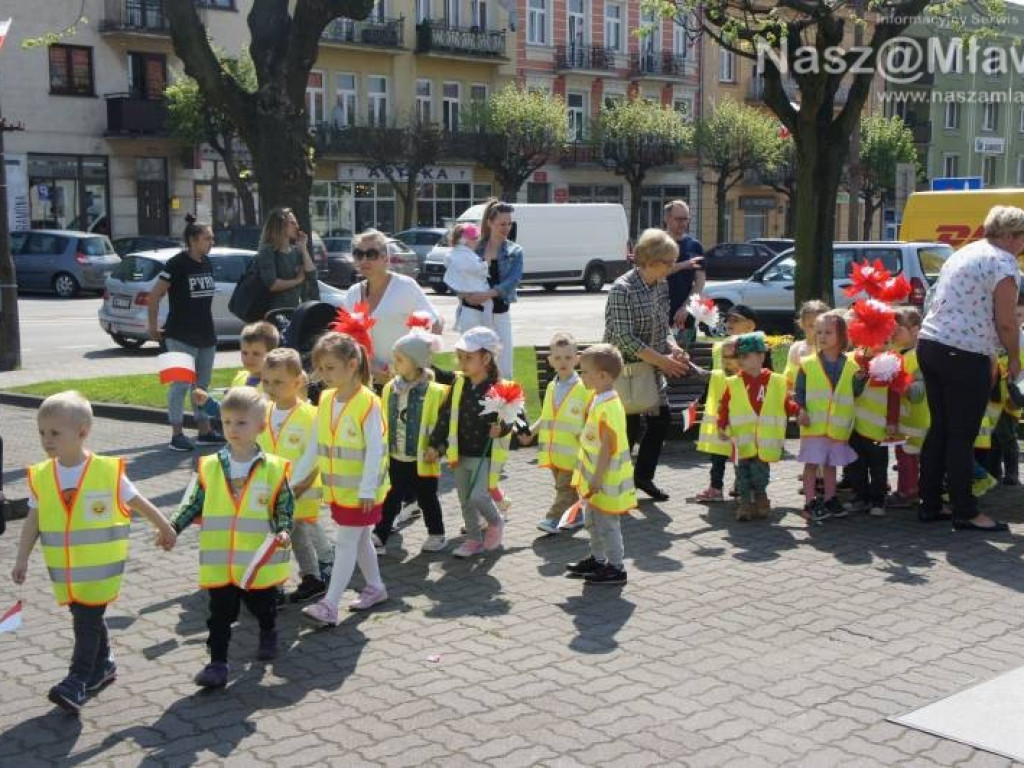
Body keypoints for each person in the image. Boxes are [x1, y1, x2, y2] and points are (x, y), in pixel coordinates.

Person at [11, 391, 176, 712]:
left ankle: (76, 681)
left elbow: (138, 501)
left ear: (82, 432)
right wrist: (21, 559)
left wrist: (165, 526)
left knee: (85, 621)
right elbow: (34, 520)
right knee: (85, 618)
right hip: (67, 575)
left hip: (100, 572)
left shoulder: (106, 471)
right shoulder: (43, 475)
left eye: (55, 433)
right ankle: (104, 666)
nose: (47, 440)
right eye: (42, 432)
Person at [171, 387, 293, 688]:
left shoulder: (273, 468)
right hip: (221, 561)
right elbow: (193, 502)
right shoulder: (210, 465)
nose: (232, 429)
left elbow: (283, 504)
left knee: (262, 604)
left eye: (241, 423)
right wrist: (173, 527)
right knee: (220, 614)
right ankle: (218, 664)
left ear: (260, 427)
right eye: (226, 422)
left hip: (255, 561)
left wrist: (283, 528)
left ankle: (268, 632)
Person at [917, 205, 1024, 531]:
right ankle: (965, 510)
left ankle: (930, 503)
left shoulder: (965, 253)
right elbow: (1007, 322)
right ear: (1009, 235)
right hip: (964, 354)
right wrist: (1015, 358)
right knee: (962, 435)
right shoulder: (1004, 263)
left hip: (931, 344)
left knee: (940, 429)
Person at [303, 332, 389, 627]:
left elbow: (375, 450)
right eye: (321, 368)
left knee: (346, 542)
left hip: (362, 492)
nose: (323, 375)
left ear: (352, 365)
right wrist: (293, 481)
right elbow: (315, 444)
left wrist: (367, 488)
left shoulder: (369, 403)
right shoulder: (326, 398)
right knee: (361, 538)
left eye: (330, 368)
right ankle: (376, 587)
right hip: (340, 491)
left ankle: (329, 604)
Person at [604, 228, 690, 502]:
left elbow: (662, 325)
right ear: (649, 260)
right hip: (625, 370)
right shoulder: (622, 289)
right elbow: (623, 338)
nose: (671, 267)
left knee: (661, 420)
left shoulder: (661, 285)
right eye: (667, 262)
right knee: (626, 428)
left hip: (652, 369)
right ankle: (617, 482)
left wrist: (674, 349)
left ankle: (642, 477)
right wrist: (662, 360)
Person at [426, 327, 512, 558]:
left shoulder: (499, 388)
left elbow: (511, 418)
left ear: (486, 358)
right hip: (461, 453)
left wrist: (501, 428)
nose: (463, 363)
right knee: (465, 500)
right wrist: (435, 444)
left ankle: (495, 522)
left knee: (479, 496)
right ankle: (473, 539)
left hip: (486, 455)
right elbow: (445, 416)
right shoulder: (459, 384)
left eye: (469, 358)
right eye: (460, 357)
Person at [257, 348, 334, 604]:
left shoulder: (311, 415)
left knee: (284, 536)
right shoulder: (263, 412)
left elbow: (315, 455)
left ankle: (282, 584)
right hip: (271, 490)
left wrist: (302, 484)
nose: (271, 387)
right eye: (266, 381)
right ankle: (307, 578)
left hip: (300, 491)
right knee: (290, 536)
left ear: (298, 381)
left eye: (278, 382)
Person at [148, 215, 224, 452]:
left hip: (206, 334)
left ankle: (204, 431)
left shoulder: (207, 262)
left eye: (212, 238)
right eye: (207, 238)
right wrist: (152, 327)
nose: (211, 242)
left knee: (201, 385)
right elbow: (154, 296)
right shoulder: (176, 264)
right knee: (180, 385)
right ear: (192, 239)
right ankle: (177, 434)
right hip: (179, 335)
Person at [565, 344, 636, 586]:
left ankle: (616, 567)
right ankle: (597, 559)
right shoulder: (597, 397)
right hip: (593, 476)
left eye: (584, 372)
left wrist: (596, 477)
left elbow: (607, 447)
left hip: (604, 479)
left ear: (602, 375)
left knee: (607, 524)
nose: (581, 375)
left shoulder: (609, 406)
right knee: (592, 521)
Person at [373, 326, 448, 554]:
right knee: (391, 495)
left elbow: (443, 425)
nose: (395, 364)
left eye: (400, 360)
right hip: (397, 455)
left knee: (427, 498)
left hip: (423, 456)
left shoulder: (435, 392)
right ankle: (380, 534)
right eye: (395, 359)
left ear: (417, 362)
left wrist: (438, 448)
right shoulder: (389, 388)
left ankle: (437, 534)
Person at [341, 229, 442, 388]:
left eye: (371, 254)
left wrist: (417, 364)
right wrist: (369, 366)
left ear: (385, 258)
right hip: (366, 380)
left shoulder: (405, 286)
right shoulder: (353, 293)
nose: (364, 259)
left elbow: (436, 323)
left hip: (405, 380)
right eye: (359, 254)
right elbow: (345, 339)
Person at [717, 333, 797, 521]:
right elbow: (724, 407)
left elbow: (786, 404)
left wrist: (798, 410)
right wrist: (721, 425)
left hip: (765, 440)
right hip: (741, 439)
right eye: (739, 357)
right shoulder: (733, 383)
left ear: (761, 356)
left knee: (760, 473)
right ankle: (744, 503)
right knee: (742, 474)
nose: (741, 361)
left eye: (746, 356)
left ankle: (761, 497)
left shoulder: (776, 381)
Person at [520, 332, 591, 535]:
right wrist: (531, 432)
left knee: (563, 489)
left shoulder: (583, 389)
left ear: (577, 359)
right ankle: (577, 516)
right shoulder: (552, 386)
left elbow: (591, 419)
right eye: (558, 358)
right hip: (553, 452)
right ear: (550, 360)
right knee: (567, 489)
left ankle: (553, 518)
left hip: (573, 454)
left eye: (568, 358)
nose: (563, 362)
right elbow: (547, 416)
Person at [793, 311, 859, 523]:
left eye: (828, 332)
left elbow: (854, 392)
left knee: (831, 464)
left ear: (841, 336)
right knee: (812, 464)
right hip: (814, 424)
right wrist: (801, 409)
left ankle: (830, 498)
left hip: (837, 427)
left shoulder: (851, 365)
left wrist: (862, 379)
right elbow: (799, 391)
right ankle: (810, 502)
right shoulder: (808, 363)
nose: (821, 336)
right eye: (818, 332)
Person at [695, 306, 760, 503]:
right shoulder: (719, 348)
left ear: (750, 326)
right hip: (721, 408)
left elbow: (766, 376)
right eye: (728, 320)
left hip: (744, 409)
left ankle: (742, 484)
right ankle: (715, 487)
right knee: (718, 450)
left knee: (743, 449)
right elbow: (714, 374)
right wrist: (702, 398)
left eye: (735, 320)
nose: (729, 324)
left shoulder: (757, 348)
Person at [454, 200, 523, 379]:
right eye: (502, 224)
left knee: (504, 364)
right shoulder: (474, 246)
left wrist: (488, 294)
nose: (506, 228)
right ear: (490, 223)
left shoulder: (515, 251)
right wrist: (466, 296)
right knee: (470, 359)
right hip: (472, 311)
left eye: (509, 224)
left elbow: (512, 281)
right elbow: (457, 273)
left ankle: (504, 402)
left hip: (500, 312)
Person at [889, 308, 928, 508]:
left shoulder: (918, 356)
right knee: (905, 455)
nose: (893, 334)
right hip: (905, 417)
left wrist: (904, 387)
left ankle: (908, 492)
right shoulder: (896, 355)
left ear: (915, 330)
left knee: (910, 455)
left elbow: (919, 388)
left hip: (919, 417)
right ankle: (911, 490)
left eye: (898, 330)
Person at [257, 207, 319, 313]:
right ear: (281, 226)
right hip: (276, 312)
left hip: (297, 311)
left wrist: (304, 249)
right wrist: (297, 281)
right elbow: (272, 284)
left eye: (296, 223)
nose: (297, 227)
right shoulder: (268, 251)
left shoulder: (296, 250)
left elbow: (311, 274)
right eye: (292, 223)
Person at [663, 200, 705, 349]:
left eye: (686, 219)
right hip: (658, 311)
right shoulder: (657, 244)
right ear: (667, 218)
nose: (683, 223)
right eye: (678, 219)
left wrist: (686, 308)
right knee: (661, 356)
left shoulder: (695, 245)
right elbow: (655, 272)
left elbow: (700, 281)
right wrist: (683, 265)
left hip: (685, 313)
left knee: (686, 354)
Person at [443, 222, 492, 330]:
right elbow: (477, 269)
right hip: (476, 295)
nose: (477, 241)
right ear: (463, 240)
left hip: (467, 296)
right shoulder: (465, 255)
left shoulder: (454, 254)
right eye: (474, 238)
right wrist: (486, 263)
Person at [785, 301, 831, 387]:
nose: (816, 330)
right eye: (811, 325)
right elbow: (789, 377)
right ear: (801, 324)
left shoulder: (832, 348)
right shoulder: (796, 348)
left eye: (821, 325)